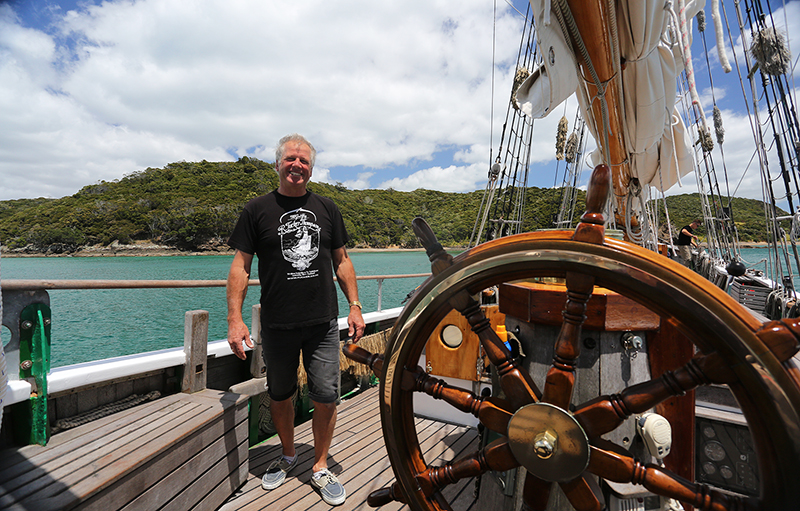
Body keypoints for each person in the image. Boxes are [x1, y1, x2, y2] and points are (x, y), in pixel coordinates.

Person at [226, 133, 365, 507]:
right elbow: (240, 266)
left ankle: (319, 465)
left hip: (321, 323)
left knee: (326, 396)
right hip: (277, 324)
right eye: (290, 159)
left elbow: (342, 260)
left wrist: (355, 304)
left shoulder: (327, 208)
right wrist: (235, 319)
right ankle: (288, 455)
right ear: (277, 164)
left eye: (304, 160)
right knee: (280, 395)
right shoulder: (257, 210)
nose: (297, 165)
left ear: (311, 168)